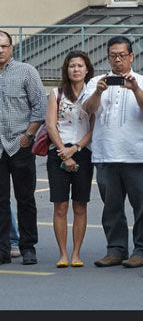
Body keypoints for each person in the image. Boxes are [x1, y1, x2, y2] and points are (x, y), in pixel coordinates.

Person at [83, 36, 143, 269]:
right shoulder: (96, 81)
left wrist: (134, 89)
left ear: (131, 56)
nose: (117, 60)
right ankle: (115, 249)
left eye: (122, 55)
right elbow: (88, 110)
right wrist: (97, 92)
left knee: (142, 205)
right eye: (112, 55)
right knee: (111, 206)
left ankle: (142, 250)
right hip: (105, 154)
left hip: (134, 154)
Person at [45, 50, 95, 268]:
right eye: (72, 66)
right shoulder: (56, 93)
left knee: (80, 205)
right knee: (61, 206)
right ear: (66, 69)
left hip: (83, 152)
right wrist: (63, 151)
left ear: (87, 70)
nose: (76, 69)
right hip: (58, 151)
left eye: (80, 66)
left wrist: (75, 149)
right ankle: (63, 253)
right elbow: (50, 124)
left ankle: (76, 253)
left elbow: (94, 127)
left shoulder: (92, 94)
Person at [0, 30, 46, 266]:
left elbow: (40, 106)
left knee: (25, 199)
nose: (0, 50)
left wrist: (29, 134)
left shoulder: (26, 72)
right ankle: (3, 250)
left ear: (11, 48)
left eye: (4, 46)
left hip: (21, 144)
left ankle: (28, 248)